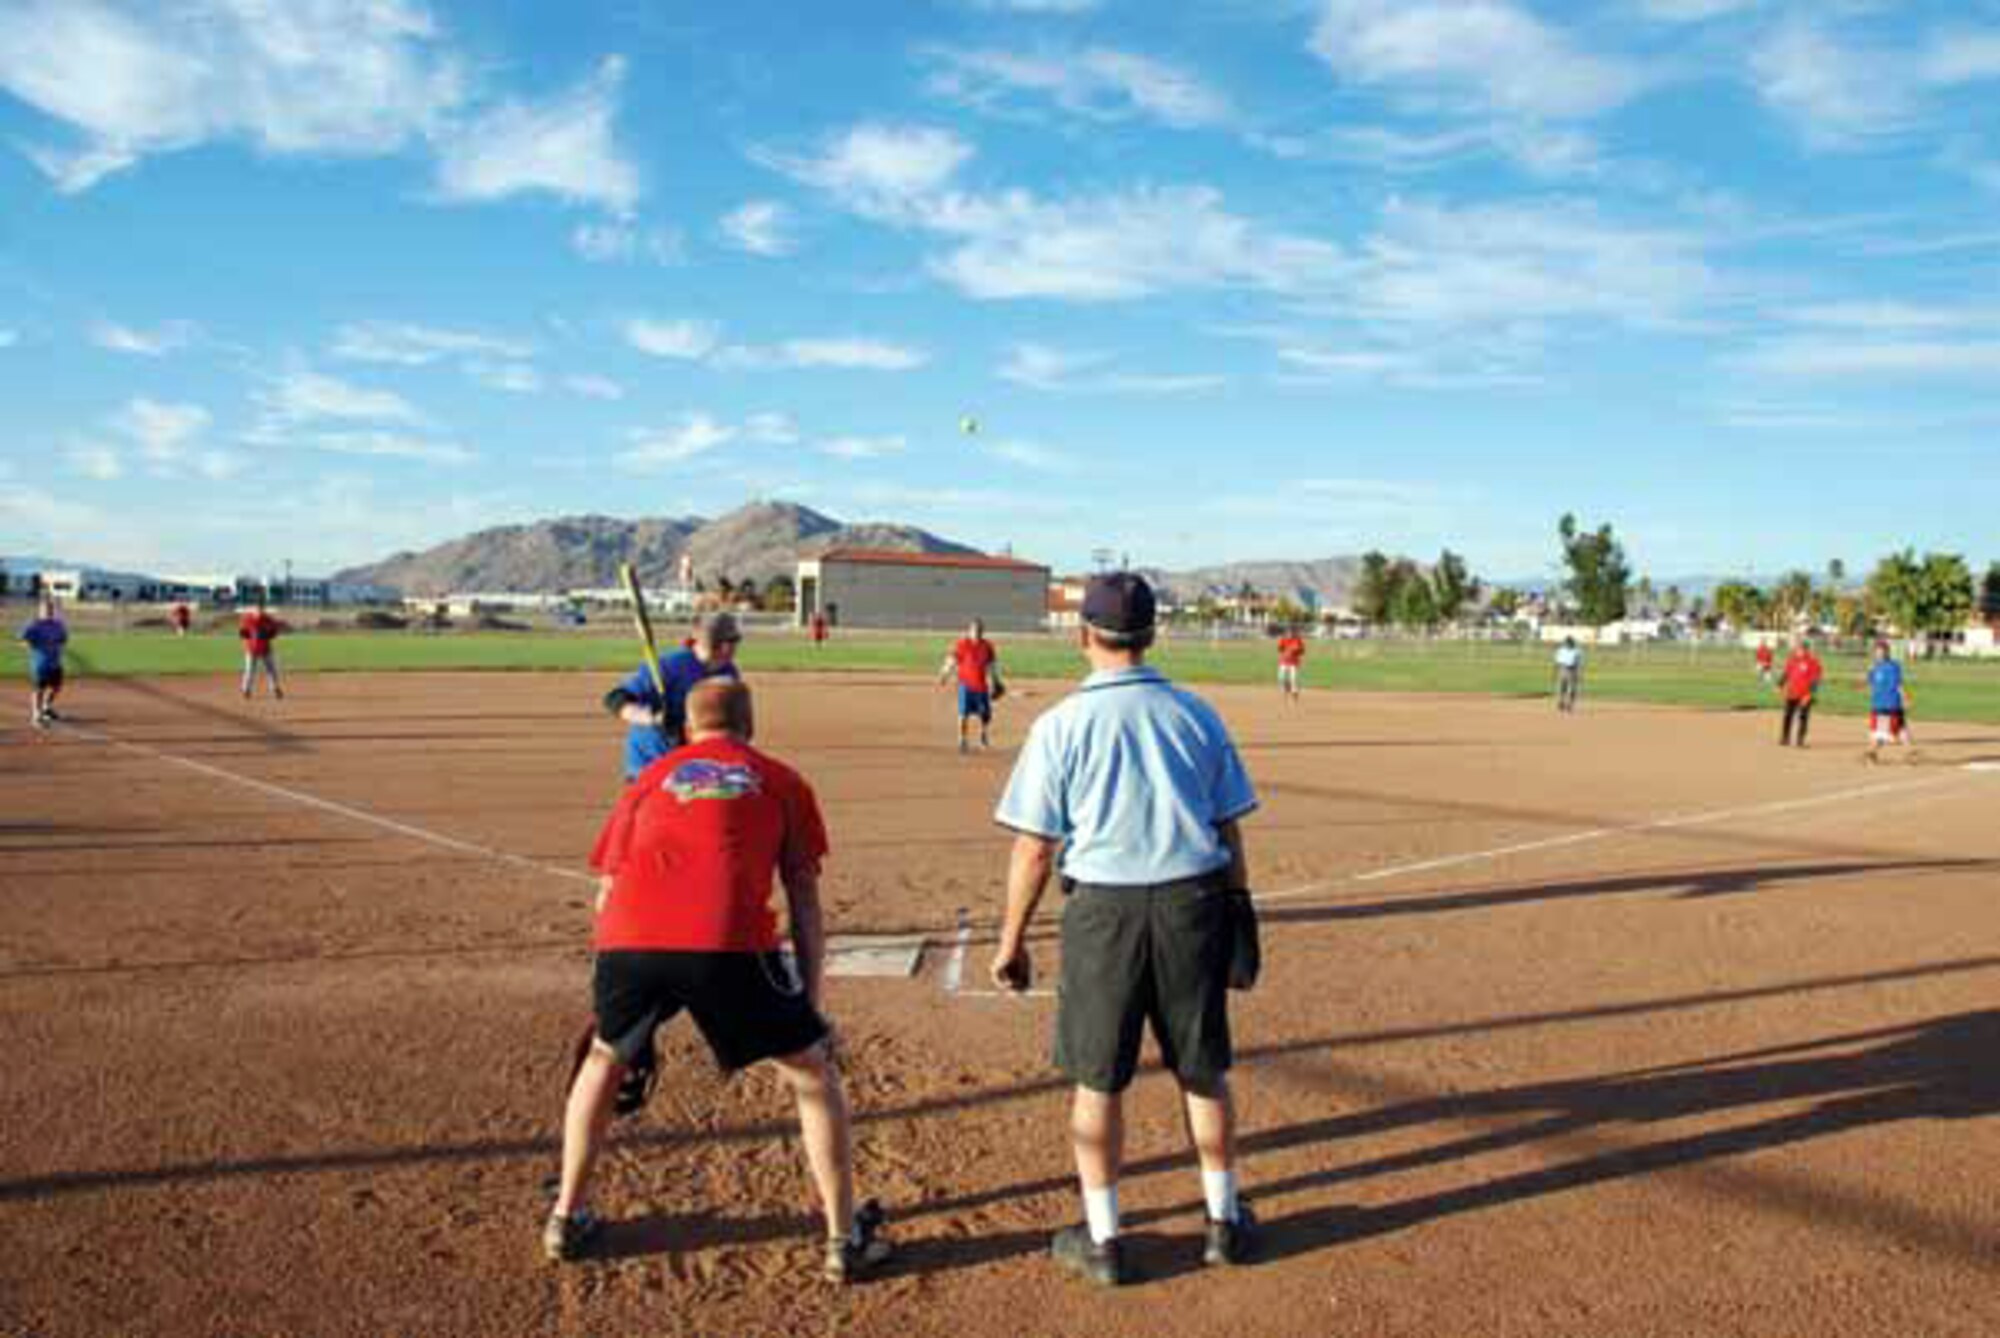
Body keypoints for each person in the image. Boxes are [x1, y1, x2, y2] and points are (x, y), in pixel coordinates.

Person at [545, 680, 892, 1283]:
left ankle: (565, 1216)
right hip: (726, 943)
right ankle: (844, 1238)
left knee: (603, 1060)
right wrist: (810, 1008)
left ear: (686, 725)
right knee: (811, 1070)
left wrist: (619, 1003)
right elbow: (804, 898)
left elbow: (607, 892)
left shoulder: (649, 780)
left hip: (628, 941)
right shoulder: (780, 779)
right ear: (749, 723)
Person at [989, 572, 1259, 1287]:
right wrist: (1239, 907)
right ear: (1152, 635)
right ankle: (1223, 1223)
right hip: (1191, 901)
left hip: (1103, 910)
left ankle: (1105, 1242)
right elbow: (1228, 825)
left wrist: (1010, 941)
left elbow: (1035, 847)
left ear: (1085, 636)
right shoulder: (1197, 714)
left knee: (1098, 1080)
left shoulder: (1059, 724)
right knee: (1203, 1071)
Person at [603, 611, 741, 782]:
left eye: (735, 640)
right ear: (707, 640)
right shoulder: (671, 665)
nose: (732, 647)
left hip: (692, 764)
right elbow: (616, 699)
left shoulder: (728, 672)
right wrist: (653, 718)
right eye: (729, 641)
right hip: (651, 762)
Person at [938, 618, 1002, 753]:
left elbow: (992, 666)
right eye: (975, 630)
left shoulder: (987, 646)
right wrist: (944, 674)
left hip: (981, 687)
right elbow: (952, 660)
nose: (977, 633)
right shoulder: (962, 645)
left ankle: (983, 736)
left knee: (985, 715)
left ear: (982, 631)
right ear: (969, 631)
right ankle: (962, 740)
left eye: (979, 630)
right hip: (966, 686)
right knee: (963, 714)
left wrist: (996, 681)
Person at [19, 594, 68, 729]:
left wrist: (59, 646)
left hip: (55, 662)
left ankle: (47, 708)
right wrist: (31, 645)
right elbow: (23, 640)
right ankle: (36, 715)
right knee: (39, 689)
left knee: (56, 687)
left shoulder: (58, 624)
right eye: (45, 609)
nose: (48, 611)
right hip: (40, 663)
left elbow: (63, 639)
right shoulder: (34, 625)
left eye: (50, 609)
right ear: (40, 611)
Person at [1863, 640, 1915, 763]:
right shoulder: (1874, 667)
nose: (1879, 654)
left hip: (1887, 704)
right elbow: (1871, 683)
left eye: (1882, 652)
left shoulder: (1893, 666)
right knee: (1901, 727)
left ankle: (1872, 753)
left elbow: (1898, 684)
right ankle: (1910, 752)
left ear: (1887, 652)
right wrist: (1868, 673)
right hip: (1880, 703)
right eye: (1877, 652)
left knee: (1882, 731)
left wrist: (1905, 697)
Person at [1779, 637, 1823, 747]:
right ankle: (1785, 738)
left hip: (1805, 694)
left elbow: (1815, 680)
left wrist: (1810, 694)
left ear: (1806, 649)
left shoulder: (1812, 662)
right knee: (1788, 715)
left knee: (1803, 717)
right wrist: (1780, 684)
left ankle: (1800, 739)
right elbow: (1786, 673)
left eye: (1801, 648)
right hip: (1792, 692)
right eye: (1797, 648)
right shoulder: (1792, 659)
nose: (1798, 650)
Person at [238, 600, 285, 700]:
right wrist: (248, 638)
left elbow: (274, 631)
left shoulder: (268, 619)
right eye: (257, 608)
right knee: (250, 670)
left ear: (263, 609)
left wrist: (267, 635)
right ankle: (246, 689)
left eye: (261, 608)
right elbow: (242, 633)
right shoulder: (248, 619)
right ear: (253, 609)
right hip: (252, 649)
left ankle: (275, 689)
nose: (259, 610)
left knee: (271, 670)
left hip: (266, 649)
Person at [1275, 626, 1305, 704]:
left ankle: (1294, 696)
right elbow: (1279, 649)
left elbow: (1302, 651)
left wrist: (1296, 651)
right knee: (1281, 678)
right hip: (1284, 662)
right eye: (1288, 632)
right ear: (1286, 633)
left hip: (1293, 663)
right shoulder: (1283, 639)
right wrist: (1284, 653)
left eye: (1291, 632)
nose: (1290, 634)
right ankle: (1287, 689)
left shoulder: (1297, 640)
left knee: (1293, 679)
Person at [1553, 636, 1583, 713]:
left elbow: (1579, 663)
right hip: (1563, 669)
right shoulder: (1561, 650)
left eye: (1569, 643)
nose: (1567, 644)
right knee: (1561, 687)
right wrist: (1555, 672)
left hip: (1572, 670)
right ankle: (1561, 702)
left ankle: (1570, 704)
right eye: (1566, 643)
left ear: (1572, 643)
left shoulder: (1577, 651)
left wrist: (1579, 673)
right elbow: (1557, 661)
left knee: (1572, 689)